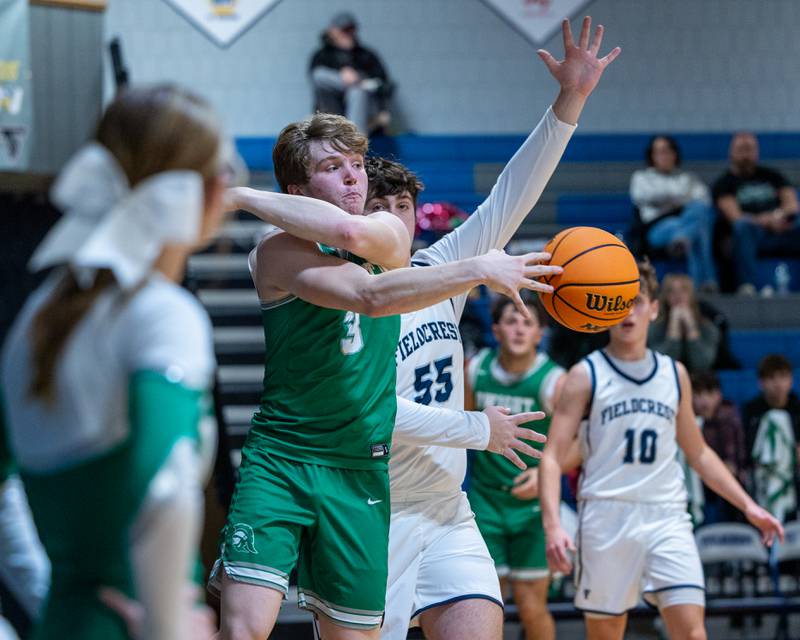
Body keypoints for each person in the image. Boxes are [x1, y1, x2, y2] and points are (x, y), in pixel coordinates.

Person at [225, 16, 620, 639]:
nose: (392, 221)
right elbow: (374, 407)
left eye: (402, 208)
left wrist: (570, 99)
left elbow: (512, 193)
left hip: (446, 507)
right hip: (368, 497)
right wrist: (474, 427)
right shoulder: (335, 276)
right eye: (378, 209)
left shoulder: (446, 269)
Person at [212, 108, 558, 639]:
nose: (354, 176)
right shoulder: (281, 252)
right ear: (298, 190)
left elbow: (507, 195)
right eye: (335, 167)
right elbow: (369, 295)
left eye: (357, 165)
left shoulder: (402, 251)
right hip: (299, 459)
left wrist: (568, 103)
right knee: (244, 629)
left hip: (398, 486)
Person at [0, 85, 228, 639]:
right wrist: (166, 627)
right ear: (206, 191)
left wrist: (58, 592)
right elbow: (168, 487)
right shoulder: (162, 314)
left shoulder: (39, 317)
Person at [539, 261, 783, 640]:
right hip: (606, 515)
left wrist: (748, 505)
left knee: (692, 633)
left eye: (635, 301)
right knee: (606, 634)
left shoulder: (675, 374)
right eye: (616, 302)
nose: (627, 312)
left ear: (654, 309)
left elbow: (698, 452)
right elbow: (553, 457)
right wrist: (553, 525)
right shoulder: (586, 374)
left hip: (667, 515)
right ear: (603, 309)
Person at [466, 297, 565, 640]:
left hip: (533, 508)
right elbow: (459, 426)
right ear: (495, 330)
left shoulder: (555, 379)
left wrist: (544, 475)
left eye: (528, 322)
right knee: (485, 604)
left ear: (540, 333)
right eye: (511, 321)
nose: (520, 328)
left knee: (531, 605)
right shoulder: (475, 369)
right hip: (486, 501)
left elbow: (581, 442)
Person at [712, 132, 800, 294]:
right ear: (731, 152)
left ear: (757, 151)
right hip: (753, 234)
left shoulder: (772, 175)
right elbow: (735, 216)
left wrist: (777, 217)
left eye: (749, 149)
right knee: (742, 226)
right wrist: (768, 220)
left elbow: (793, 205)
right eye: (741, 149)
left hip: (782, 229)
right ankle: (748, 285)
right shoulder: (724, 183)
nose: (745, 154)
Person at [630, 135, 717, 290]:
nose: (664, 156)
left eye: (668, 151)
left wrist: (669, 199)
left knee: (699, 214)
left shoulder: (687, 178)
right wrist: (680, 197)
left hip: (683, 222)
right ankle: (705, 283)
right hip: (656, 229)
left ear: (675, 154)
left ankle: (681, 238)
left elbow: (704, 199)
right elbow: (642, 196)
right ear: (652, 155)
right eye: (659, 152)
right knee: (697, 227)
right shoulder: (642, 177)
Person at [309, 12, 393, 135]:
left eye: (351, 29)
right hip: (332, 109)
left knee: (357, 91)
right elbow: (316, 78)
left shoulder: (366, 55)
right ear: (332, 31)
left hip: (363, 109)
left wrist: (358, 78)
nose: (348, 34)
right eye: (344, 30)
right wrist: (342, 77)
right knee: (319, 74)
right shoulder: (322, 55)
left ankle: (354, 139)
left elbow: (383, 84)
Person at [742, 354, 800, 522]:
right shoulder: (751, 410)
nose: (777, 384)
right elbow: (746, 449)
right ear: (761, 383)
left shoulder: (798, 408)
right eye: (771, 378)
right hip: (760, 475)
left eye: (783, 377)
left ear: (791, 380)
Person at [691, 370, 747, 524]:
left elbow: (732, 466)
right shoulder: (687, 422)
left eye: (709, 393)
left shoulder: (729, 419)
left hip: (725, 489)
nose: (704, 400)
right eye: (698, 393)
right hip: (695, 485)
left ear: (719, 395)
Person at [648, 273, 720, 374]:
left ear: (692, 295)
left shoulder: (708, 328)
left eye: (683, 290)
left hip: (698, 384)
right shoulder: (654, 328)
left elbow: (701, 364)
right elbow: (662, 365)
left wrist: (691, 327)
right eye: (671, 291)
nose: (678, 296)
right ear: (665, 297)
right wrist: (674, 327)